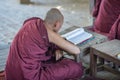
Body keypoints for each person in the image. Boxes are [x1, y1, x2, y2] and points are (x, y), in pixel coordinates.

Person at [5, 8, 83, 80]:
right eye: (60, 26)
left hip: (11, 71)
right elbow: (76, 51)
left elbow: (41, 43)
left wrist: (58, 48)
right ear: (57, 24)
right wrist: (61, 45)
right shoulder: (50, 34)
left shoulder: (32, 22)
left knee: (52, 56)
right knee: (75, 67)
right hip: (28, 76)